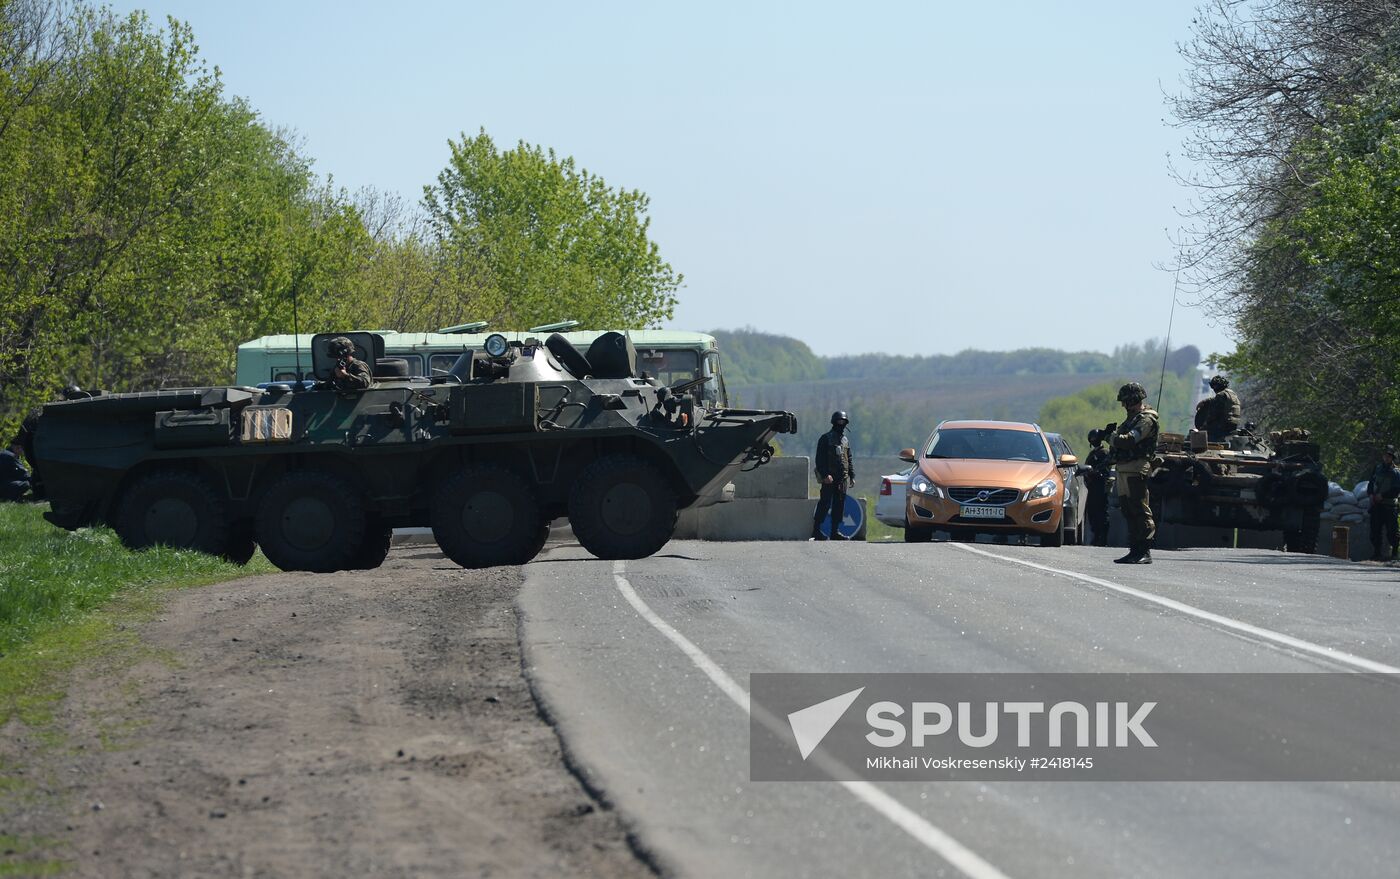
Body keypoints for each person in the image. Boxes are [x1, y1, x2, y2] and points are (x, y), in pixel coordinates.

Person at [1112, 382, 1159, 564]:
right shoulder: (1133, 419)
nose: (1123, 405)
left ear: (1132, 400)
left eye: (1125, 401)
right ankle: (1134, 550)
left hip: (1136, 468)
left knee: (1139, 509)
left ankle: (1144, 551)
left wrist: (1112, 438)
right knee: (1128, 509)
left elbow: (1130, 440)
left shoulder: (1146, 419)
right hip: (1124, 468)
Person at [812, 411, 855, 541]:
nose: (841, 424)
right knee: (824, 503)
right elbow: (819, 459)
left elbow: (849, 458)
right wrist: (825, 475)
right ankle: (816, 530)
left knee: (839, 505)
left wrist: (852, 475)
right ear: (834, 422)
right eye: (839, 422)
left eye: (843, 422)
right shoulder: (825, 438)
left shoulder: (845, 440)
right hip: (829, 479)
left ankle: (835, 531)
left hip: (842, 479)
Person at [1084, 424, 1115, 547]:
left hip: (1100, 486)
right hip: (1093, 486)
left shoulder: (1104, 453)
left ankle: (1102, 538)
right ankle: (1096, 536)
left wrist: (1095, 473)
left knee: (1101, 512)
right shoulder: (1094, 453)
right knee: (1092, 512)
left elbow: (1106, 470)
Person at [1368, 445, 1400, 562]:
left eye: (1389, 456)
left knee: (1392, 532)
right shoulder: (1377, 468)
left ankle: (1394, 554)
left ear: (1392, 457)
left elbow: (1396, 489)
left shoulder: (1396, 472)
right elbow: (1371, 483)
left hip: (1390, 506)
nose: (1386, 458)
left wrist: (1383, 495)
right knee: (1375, 531)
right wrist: (1371, 494)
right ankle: (1377, 553)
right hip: (1377, 505)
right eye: (1385, 455)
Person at [1194, 374, 1241, 441]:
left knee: (1199, 435)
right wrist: (1205, 401)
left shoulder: (1220, 395)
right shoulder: (1231, 393)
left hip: (1223, 426)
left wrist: (1205, 425)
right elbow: (1216, 399)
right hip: (1233, 425)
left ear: (1216, 387)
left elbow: (1214, 414)